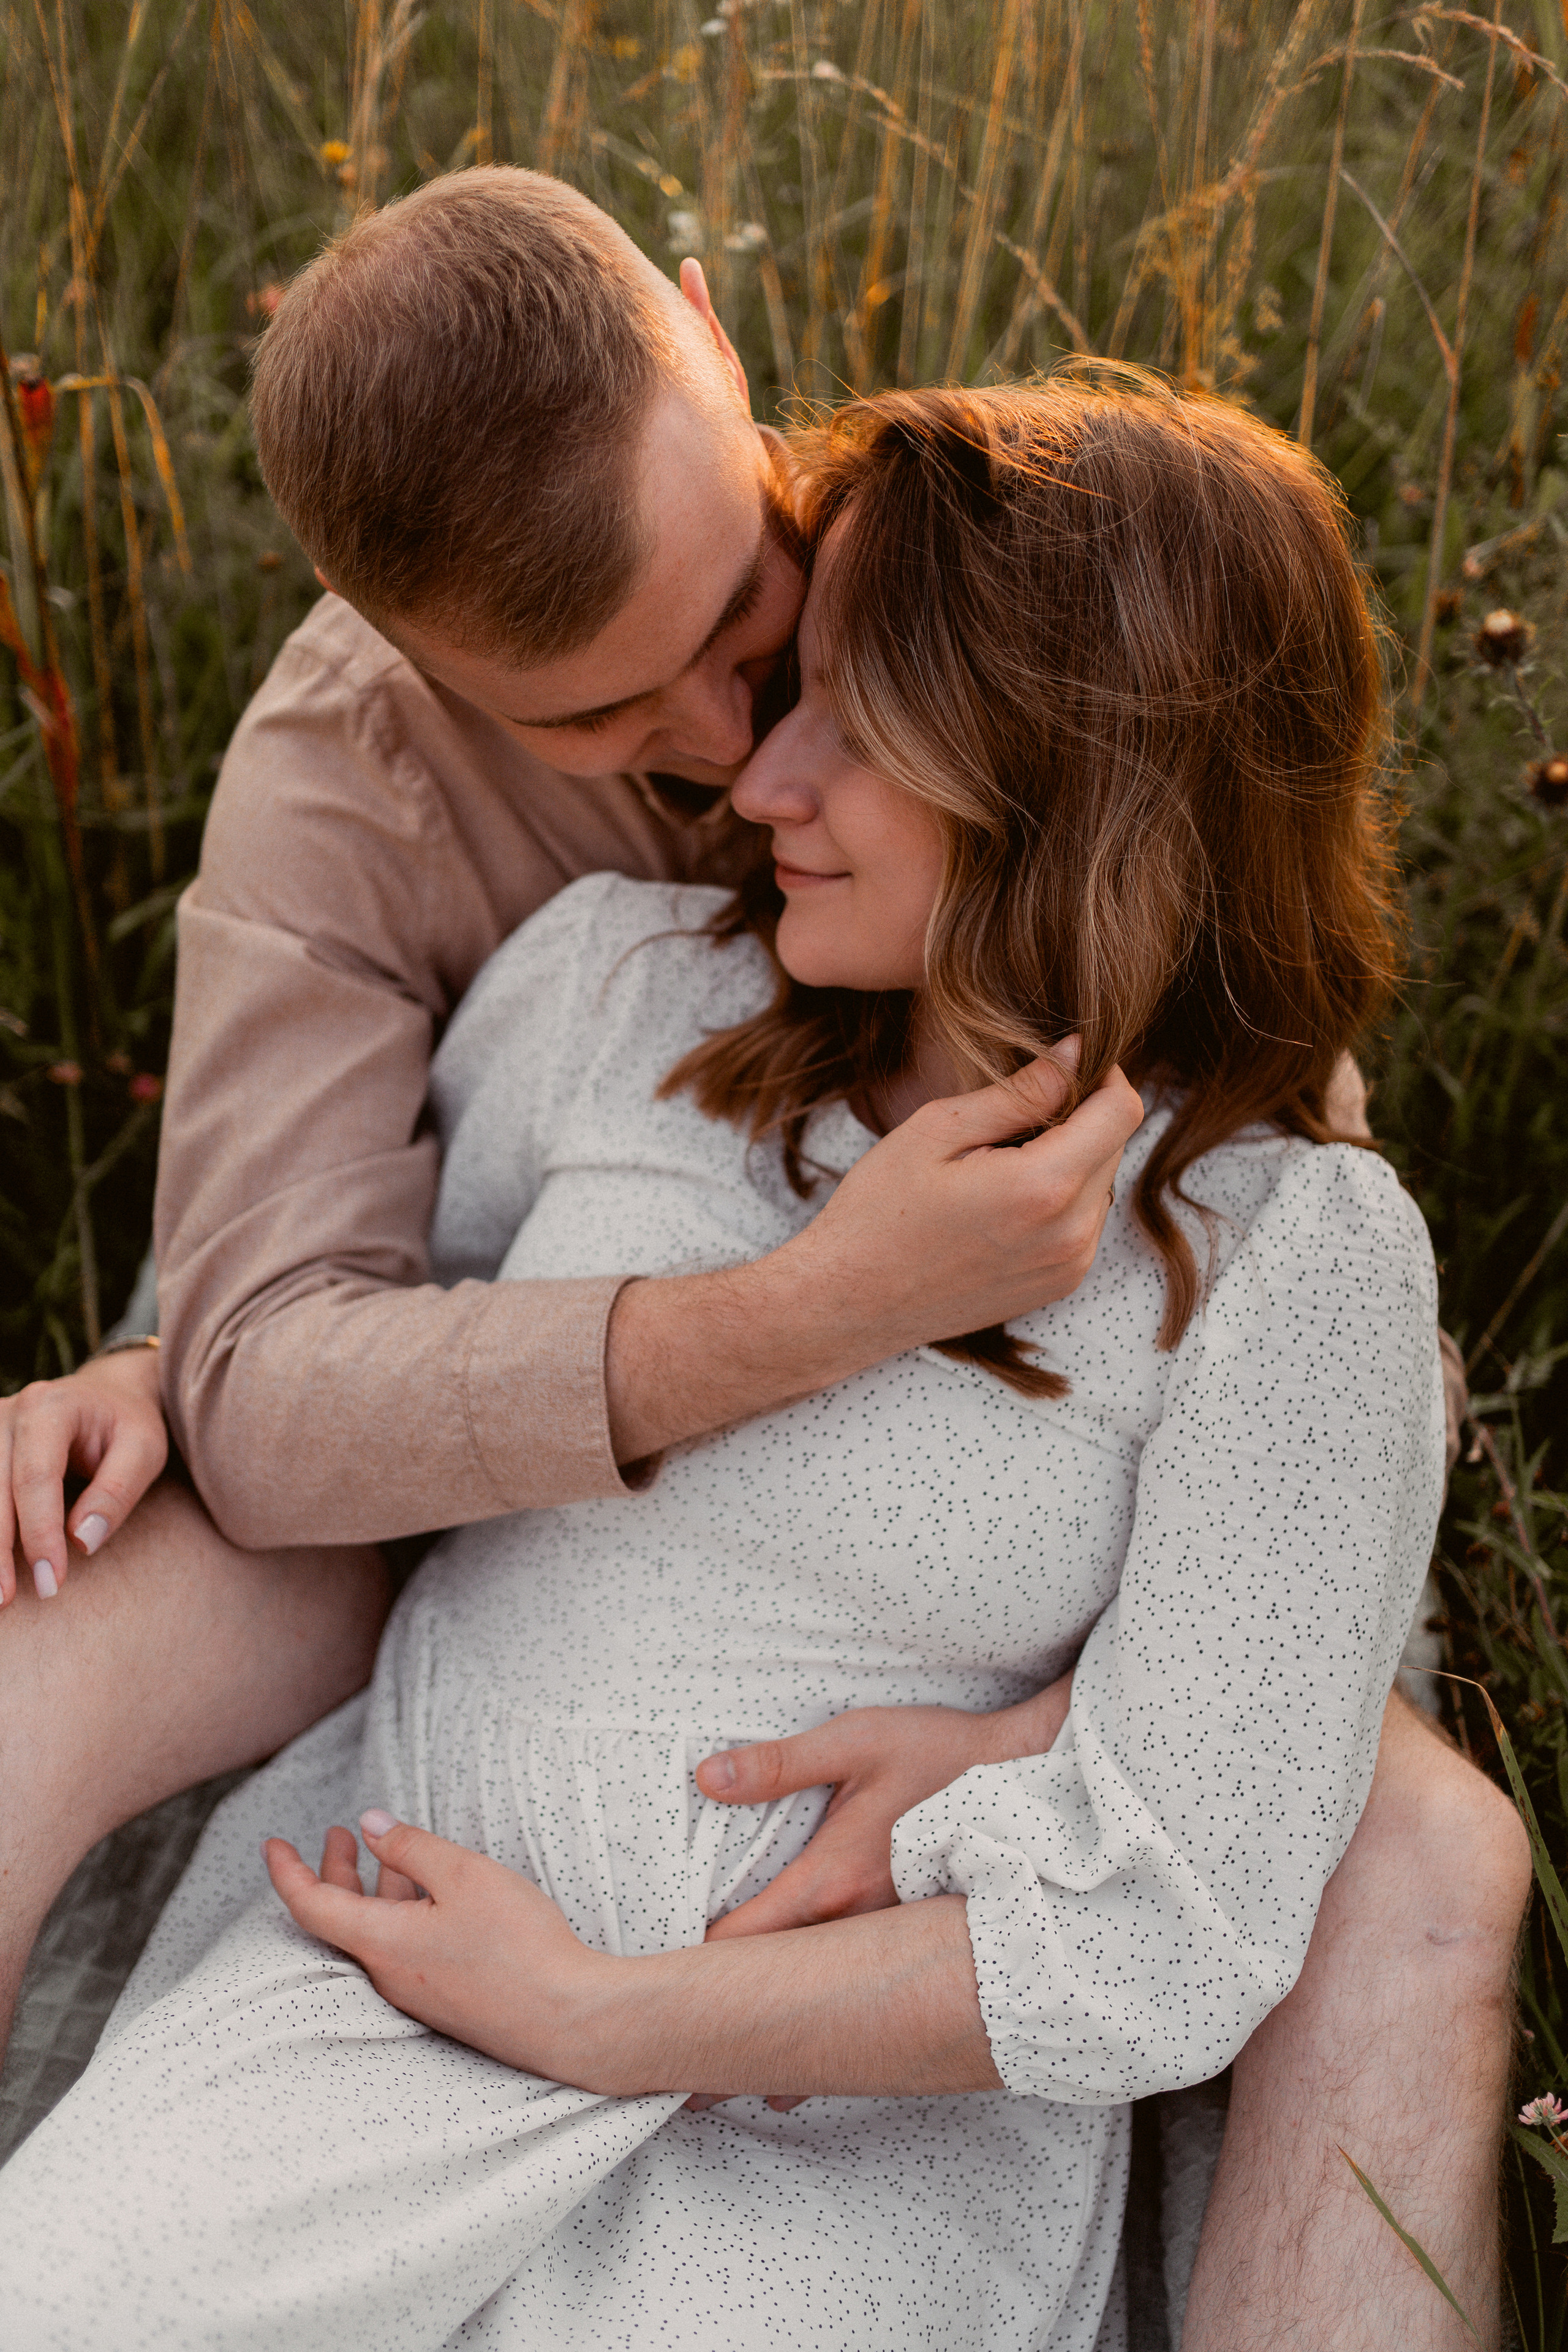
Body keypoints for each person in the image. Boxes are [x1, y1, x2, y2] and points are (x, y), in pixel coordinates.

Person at [0, 172, 1527, 2346]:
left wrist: (1052, 1743)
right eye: (614, 728)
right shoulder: (560, 940)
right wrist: (178, 1357)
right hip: (413, 1945)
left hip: (834, 2062)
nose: (739, 765)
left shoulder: (990, 571)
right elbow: (340, 1314)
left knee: (1423, 1862)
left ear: (718, 355)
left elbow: (1294, 1314)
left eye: (774, 652)